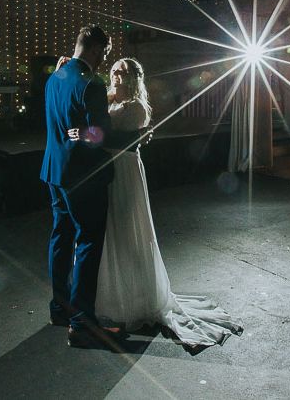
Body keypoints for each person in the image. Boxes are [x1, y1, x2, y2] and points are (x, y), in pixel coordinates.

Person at [68, 57, 243, 350]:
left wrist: (99, 134)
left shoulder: (136, 108)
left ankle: (136, 298)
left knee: (127, 229)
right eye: (114, 71)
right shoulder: (106, 100)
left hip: (124, 169)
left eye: (123, 72)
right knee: (109, 231)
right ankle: (108, 294)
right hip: (106, 168)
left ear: (135, 77)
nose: (117, 76)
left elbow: (115, 136)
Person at [40, 26, 141, 349]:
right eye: (105, 54)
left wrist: (75, 133)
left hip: (54, 173)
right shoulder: (91, 84)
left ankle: (60, 309)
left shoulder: (54, 78)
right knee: (87, 242)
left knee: (60, 238)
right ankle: (82, 324)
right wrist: (135, 139)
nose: (103, 62)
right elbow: (99, 137)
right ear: (97, 50)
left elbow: (65, 129)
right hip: (83, 175)